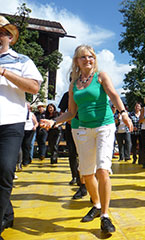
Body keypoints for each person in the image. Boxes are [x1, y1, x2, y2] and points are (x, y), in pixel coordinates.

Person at [40, 45, 133, 233]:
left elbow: (114, 95)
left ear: (94, 59)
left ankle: (105, 216)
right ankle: (97, 205)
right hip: (82, 129)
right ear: (76, 61)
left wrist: (123, 113)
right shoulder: (73, 84)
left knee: (102, 170)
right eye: (82, 57)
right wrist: (53, 122)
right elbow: (71, 113)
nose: (87, 60)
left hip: (104, 127)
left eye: (90, 56)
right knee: (87, 173)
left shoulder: (101, 76)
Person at [0, 15, 43, 237]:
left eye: (0, 32)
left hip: (10, 122)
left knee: (6, 169)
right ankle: (6, 213)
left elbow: (34, 87)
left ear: (9, 36)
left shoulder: (22, 60)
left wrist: (5, 72)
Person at [59, 90, 80, 185]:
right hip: (70, 125)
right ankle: (75, 176)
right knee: (72, 152)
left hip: (85, 125)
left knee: (85, 153)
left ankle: (84, 178)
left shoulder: (86, 92)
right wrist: (66, 119)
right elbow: (62, 111)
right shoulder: (67, 94)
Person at [21, 103, 38, 167]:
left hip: (30, 130)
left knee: (27, 144)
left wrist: (35, 127)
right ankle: (22, 159)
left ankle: (27, 160)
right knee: (22, 145)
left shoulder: (31, 114)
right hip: (23, 130)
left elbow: (36, 123)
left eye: (28, 107)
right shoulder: (21, 114)